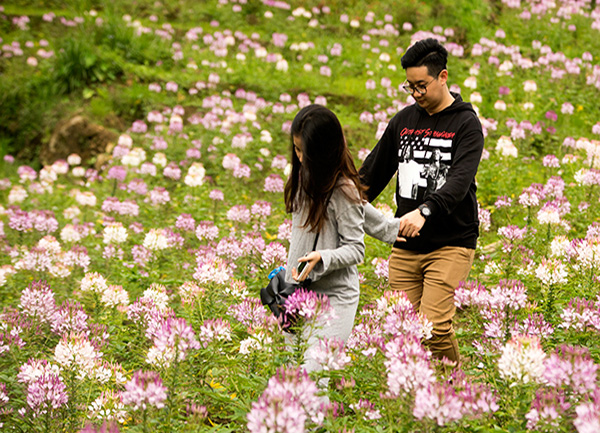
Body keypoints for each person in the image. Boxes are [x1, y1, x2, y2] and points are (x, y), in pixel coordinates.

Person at [360, 38, 485, 365]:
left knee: (434, 328)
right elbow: (373, 172)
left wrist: (425, 211)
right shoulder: (403, 122)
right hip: (406, 243)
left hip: (451, 243)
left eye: (421, 86)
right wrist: (338, 200)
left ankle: (452, 391)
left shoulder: (466, 124)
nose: (416, 94)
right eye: (410, 86)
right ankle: (414, 395)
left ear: (442, 77)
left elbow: (459, 182)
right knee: (403, 328)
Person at [284, 104, 399, 376]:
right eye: (296, 150)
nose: (299, 159)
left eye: (305, 152)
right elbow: (378, 223)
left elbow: (356, 249)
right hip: (297, 293)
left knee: (315, 372)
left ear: (324, 152)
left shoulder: (343, 190)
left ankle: (318, 421)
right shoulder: (303, 180)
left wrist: (323, 257)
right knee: (294, 373)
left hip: (335, 297)